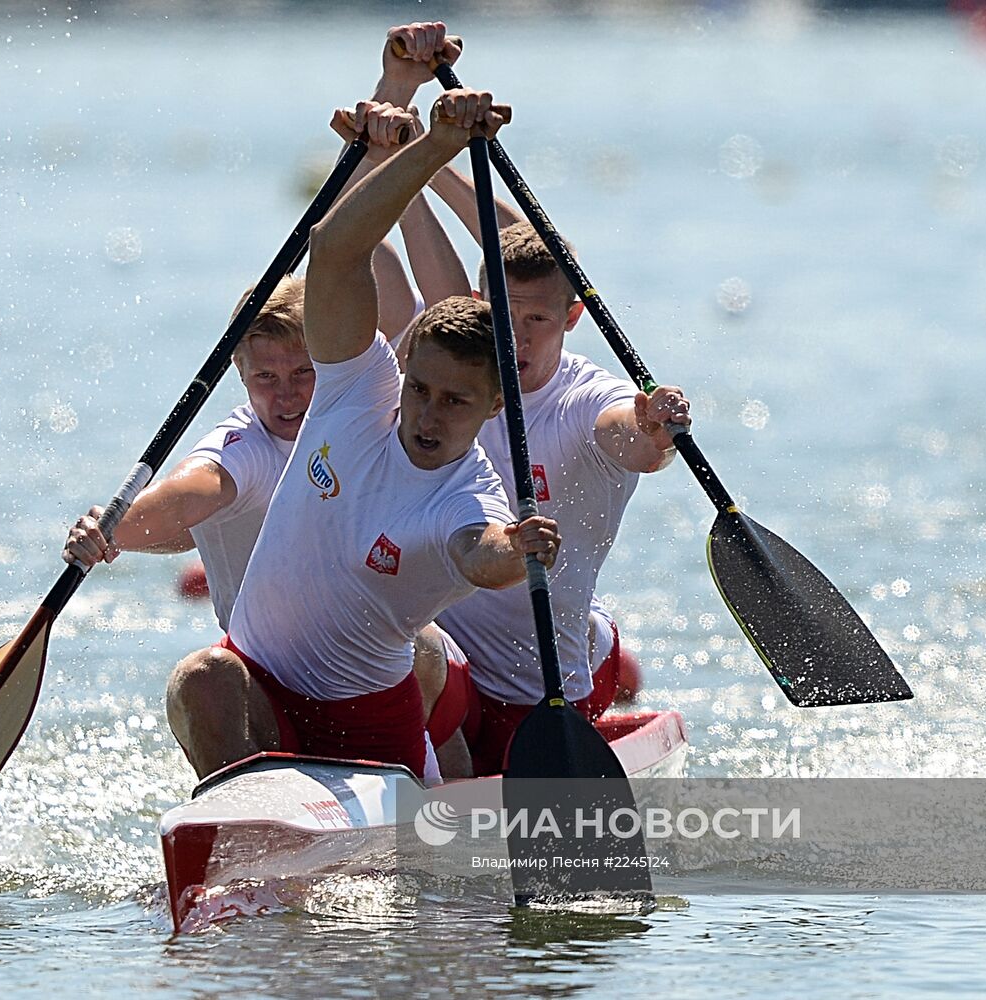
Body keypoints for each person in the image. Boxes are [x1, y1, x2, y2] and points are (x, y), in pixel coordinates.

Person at [165, 91, 562, 786]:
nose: (427, 416)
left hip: (369, 726)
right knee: (201, 676)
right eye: (420, 390)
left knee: (427, 662)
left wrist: (517, 551)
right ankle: (232, 833)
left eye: (455, 401)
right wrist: (430, 146)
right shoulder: (356, 390)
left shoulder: (468, 493)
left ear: (495, 405)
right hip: (263, 689)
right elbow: (335, 249)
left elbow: (481, 553)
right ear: (402, 373)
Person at [376, 29, 693, 774]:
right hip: (443, 674)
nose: (515, 337)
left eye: (539, 321)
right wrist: (412, 122)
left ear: (572, 319)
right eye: (504, 314)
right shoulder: (458, 361)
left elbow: (634, 444)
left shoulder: (590, 401)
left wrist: (655, 429)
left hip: (540, 696)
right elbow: (388, 212)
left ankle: (605, 656)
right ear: (484, 302)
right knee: (414, 650)